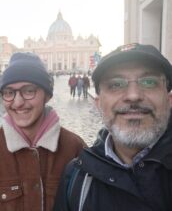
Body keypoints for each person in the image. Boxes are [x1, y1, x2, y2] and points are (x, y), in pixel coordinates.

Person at [53, 43, 172, 211]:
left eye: (149, 82)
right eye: (116, 84)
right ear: (98, 103)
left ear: (169, 99)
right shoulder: (76, 177)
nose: (133, 96)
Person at [0, 52, 86, 211]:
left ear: (47, 95)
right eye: (9, 92)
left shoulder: (75, 147)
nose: (17, 103)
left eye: (29, 90)